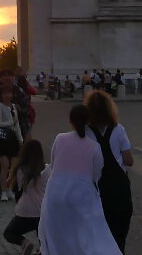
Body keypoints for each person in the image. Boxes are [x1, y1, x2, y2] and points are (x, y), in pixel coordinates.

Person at [39, 104, 120, 255]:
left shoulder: (60, 138)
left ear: (70, 120)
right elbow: (96, 175)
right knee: (85, 237)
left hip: (56, 193)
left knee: (58, 236)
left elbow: (53, 163)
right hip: (81, 194)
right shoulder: (94, 147)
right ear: (88, 121)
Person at [84, 90, 134, 252]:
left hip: (96, 191)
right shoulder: (119, 129)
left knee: (98, 237)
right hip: (119, 190)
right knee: (119, 236)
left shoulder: (85, 132)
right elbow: (128, 160)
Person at [3, 139, 49, 253]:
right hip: (42, 211)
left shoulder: (20, 170)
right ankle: (42, 249)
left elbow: (16, 191)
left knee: (9, 233)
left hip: (25, 211)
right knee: (43, 237)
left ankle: (25, 243)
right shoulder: (48, 169)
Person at [0, 85, 23, 201]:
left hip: (13, 139)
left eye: (9, 93)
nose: (7, 96)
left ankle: (10, 189)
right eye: (5, 93)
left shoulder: (14, 107)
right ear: (1, 95)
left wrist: (20, 140)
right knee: (4, 166)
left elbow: (17, 126)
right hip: (2, 139)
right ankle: (3, 191)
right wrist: (12, 121)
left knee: (13, 167)